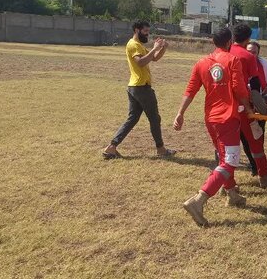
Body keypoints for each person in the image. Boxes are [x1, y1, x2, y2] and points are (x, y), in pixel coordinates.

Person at [174, 28, 253, 227]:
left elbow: (190, 90)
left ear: (212, 41)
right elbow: (239, 88)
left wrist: (180, 113)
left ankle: (232, 193)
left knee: (223, 155)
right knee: (230, 161)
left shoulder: (201, 63)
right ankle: (199, 200)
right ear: (230, 43)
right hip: (228, 118)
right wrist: (249, 107)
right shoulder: (233, 60)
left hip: (211, 119)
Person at [102, 21, 175, 159]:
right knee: (154, 118)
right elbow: (140, 62)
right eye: (145, 31)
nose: (147, 34)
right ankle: (161, 149)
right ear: (137, 30)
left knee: (133, 118)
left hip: (135, 87)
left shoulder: (139, 45)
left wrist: (163, 48)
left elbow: (154, 58)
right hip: (141, 87)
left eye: (148, 31)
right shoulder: (133, 44)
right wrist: (154, 48)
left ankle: (111, 147)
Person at [229, 24, 267, 186]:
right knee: (255, 140)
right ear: (248, 38)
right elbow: (255, 86)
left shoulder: (223, 53)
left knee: (227, 145)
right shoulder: (248, 57)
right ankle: (263, 175)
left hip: (224, 107)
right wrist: (260, 108)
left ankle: (228, 182)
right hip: (244, 107)